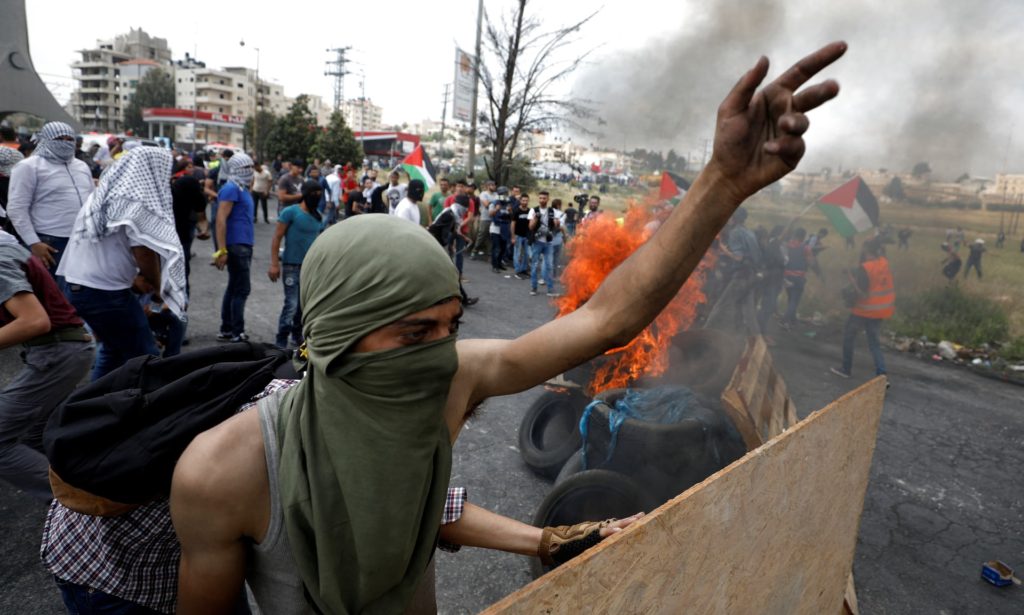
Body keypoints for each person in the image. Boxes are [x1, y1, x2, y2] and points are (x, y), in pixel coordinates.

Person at [168, 41, 846, 614]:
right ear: (338, 338)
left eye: (450, 325)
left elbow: (606, 319)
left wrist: (721, 184)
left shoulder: (451, 380)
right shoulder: (221, 473)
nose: (441, 353)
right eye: (412, 334)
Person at [58, 147, 187, 381]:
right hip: (105, 293)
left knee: (113, 351)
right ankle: (157, 410)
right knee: (146, 356)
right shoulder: (135, 202)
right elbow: (144, 254)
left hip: (79, 285)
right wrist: (158, 289)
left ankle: (90, 405)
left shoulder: (103, 196)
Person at [0, 229, 93, 500]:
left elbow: (34, 321)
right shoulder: (7, 247)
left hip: (59, 353)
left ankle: (85, 505)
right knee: (33, 436)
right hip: (63, 351)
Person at [6, 122, 94, 283]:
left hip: (82, 240)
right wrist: (34, 243)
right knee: (55, 296)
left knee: (76, 293)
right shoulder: (28, 166)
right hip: (50, 243)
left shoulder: (81, 166)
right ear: (45, 140)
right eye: (59, 138)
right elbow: (16, 209)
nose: (65, 143)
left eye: (70, 139)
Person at [270, 179, 322, 349]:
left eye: (319, 194)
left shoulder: (318, 216)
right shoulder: (290, 212)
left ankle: (296, 335)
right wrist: (274, 264)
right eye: (314, 194)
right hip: (291, 266)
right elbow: (277, 237)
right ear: (305, 195)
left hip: (310, 268)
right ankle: (281, 340)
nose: (317, 197)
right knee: (291, 304)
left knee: (303, 306)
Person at [831, 238, 893, 380]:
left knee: (848, 337)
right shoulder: (884, 262)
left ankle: (846, 369)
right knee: (874, 343)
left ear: (866, 250)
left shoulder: (866, 268)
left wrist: (851, 279)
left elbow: (863, 293)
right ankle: (881, 375)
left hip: (864, 310)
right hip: (880, 311)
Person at [213, 153, 256, 343]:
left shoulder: (241, 187)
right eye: (246, 168)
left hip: (244, 243)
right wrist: (221, 250)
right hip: (236, 245)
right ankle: (237, 332)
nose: (250, 171)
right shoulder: (231, 188)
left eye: (251, 167)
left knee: (233, 287)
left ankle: (227, 329)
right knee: (242, 289)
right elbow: (220, 220)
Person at [706, 207, 762, 336]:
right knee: (749, 313)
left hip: (741, 276)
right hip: (751, 275)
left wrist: (723, 249)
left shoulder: (735, 233)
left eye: (730, 217)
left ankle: (704, 334)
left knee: (720, 307)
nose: (728, 220)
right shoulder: (750, 233)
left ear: (735, 218)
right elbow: (756, 256)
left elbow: (739, 257)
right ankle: (757, 343)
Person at [170, 158, 207, 296]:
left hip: (166, 231)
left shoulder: (168, 181)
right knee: (182, 264)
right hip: (183, 228)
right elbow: (200, 205)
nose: (192, 169)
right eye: (189, 166)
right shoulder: (189, 182)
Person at [528, 190, 562, 297]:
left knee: (549, 266)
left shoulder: (553, 211)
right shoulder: (533, 210)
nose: (542, 200)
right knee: (534, 265)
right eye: (540, 198)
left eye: (544, 198)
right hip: (537, 241)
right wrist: (536, 218)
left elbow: (556, 225)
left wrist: (556, 222)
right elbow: (530, 227)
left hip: (548, 242)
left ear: (548, 199)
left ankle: (550, 290)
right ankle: (534, 288)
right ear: (538, 199)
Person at [781, 227, 814, 329]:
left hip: (786, 276)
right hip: (798, 277)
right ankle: (785, 320)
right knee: (794, 300)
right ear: (803, 237)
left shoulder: (787, 245)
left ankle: (793, 319)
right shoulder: (806, 247)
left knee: (791, 298)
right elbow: (810, 262)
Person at [489, 188, 512, 273]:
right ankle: (494, 266)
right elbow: (490, 214)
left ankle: (499, 263)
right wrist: (496, 209)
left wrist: (510, 211)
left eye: (506, 193)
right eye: (504, 194)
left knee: (503, 248)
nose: (505, 195)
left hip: (505, 228)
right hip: (495, 228)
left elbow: (510, 216)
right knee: (496, 248)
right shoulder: (494, 203)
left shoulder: (507, 204)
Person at [512, 193, 532, 278]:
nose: (525, 202)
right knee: (517, 253)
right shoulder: (516, 211)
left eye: (526, 200)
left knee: (527, 254)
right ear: (520, 201)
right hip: (518, 235)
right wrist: (512, 236)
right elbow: (512, 224)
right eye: (523, 200)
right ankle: (517, 271)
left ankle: (524, 269)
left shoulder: (530, 211)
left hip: (527, 236)